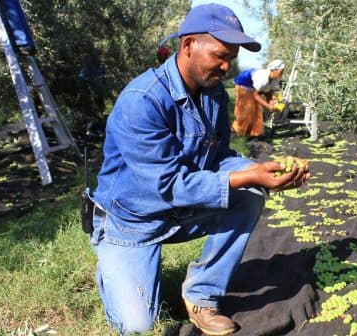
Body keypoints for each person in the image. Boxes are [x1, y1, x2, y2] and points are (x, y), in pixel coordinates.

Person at [88, 3, 310, 335]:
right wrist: (248, 175)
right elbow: (168, 185)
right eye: (220, 55)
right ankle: (114, 263)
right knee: (138, 326)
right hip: (131, 223)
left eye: (230, 58)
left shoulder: (214, 94)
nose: (226, 66)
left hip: (178, 212)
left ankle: (201, 295)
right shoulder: (143, 100)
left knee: (250, 194)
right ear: (189, 44)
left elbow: (217, 156)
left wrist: (261, 171)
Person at [231, 60, 285, 137]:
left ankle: (255, 133)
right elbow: (256, 95)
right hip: (243, 84)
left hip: (254, 86)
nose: (282, 73)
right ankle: (236, 130)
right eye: (281, 71)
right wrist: (268, 106)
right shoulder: (263, 77)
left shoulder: (276, 79)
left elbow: (269, 92)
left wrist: (270, 102)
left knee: (258, 110)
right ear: (274, 70)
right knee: (247, 109)